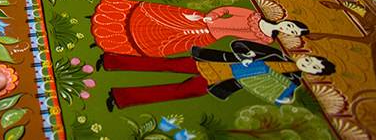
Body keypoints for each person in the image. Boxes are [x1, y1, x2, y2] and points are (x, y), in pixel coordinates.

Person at [102, 41, 336, 110]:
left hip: (222, 81)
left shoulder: (292, 82)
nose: (310, 63)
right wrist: (248, 53)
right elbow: (239, 44)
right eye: (312, 60)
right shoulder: (275, 53)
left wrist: (282, 94)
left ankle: (121, 97)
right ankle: (111, 60)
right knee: (165, 65)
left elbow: (278, 96)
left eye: (314, 67)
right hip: (214, 62)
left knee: (179, 92)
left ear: (312, 73)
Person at [91, 0, 310, 57]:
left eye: (292, 32)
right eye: (291, 26)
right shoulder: (254, 16)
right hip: (205, 21)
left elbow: (240, 43)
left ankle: (116, 40)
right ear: (287, 21)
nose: (288, 30)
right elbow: (228, 10)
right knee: (159, 19)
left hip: (207, 38)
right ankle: (117, 20)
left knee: (166, 39)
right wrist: (211, 16)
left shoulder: (265, 39)